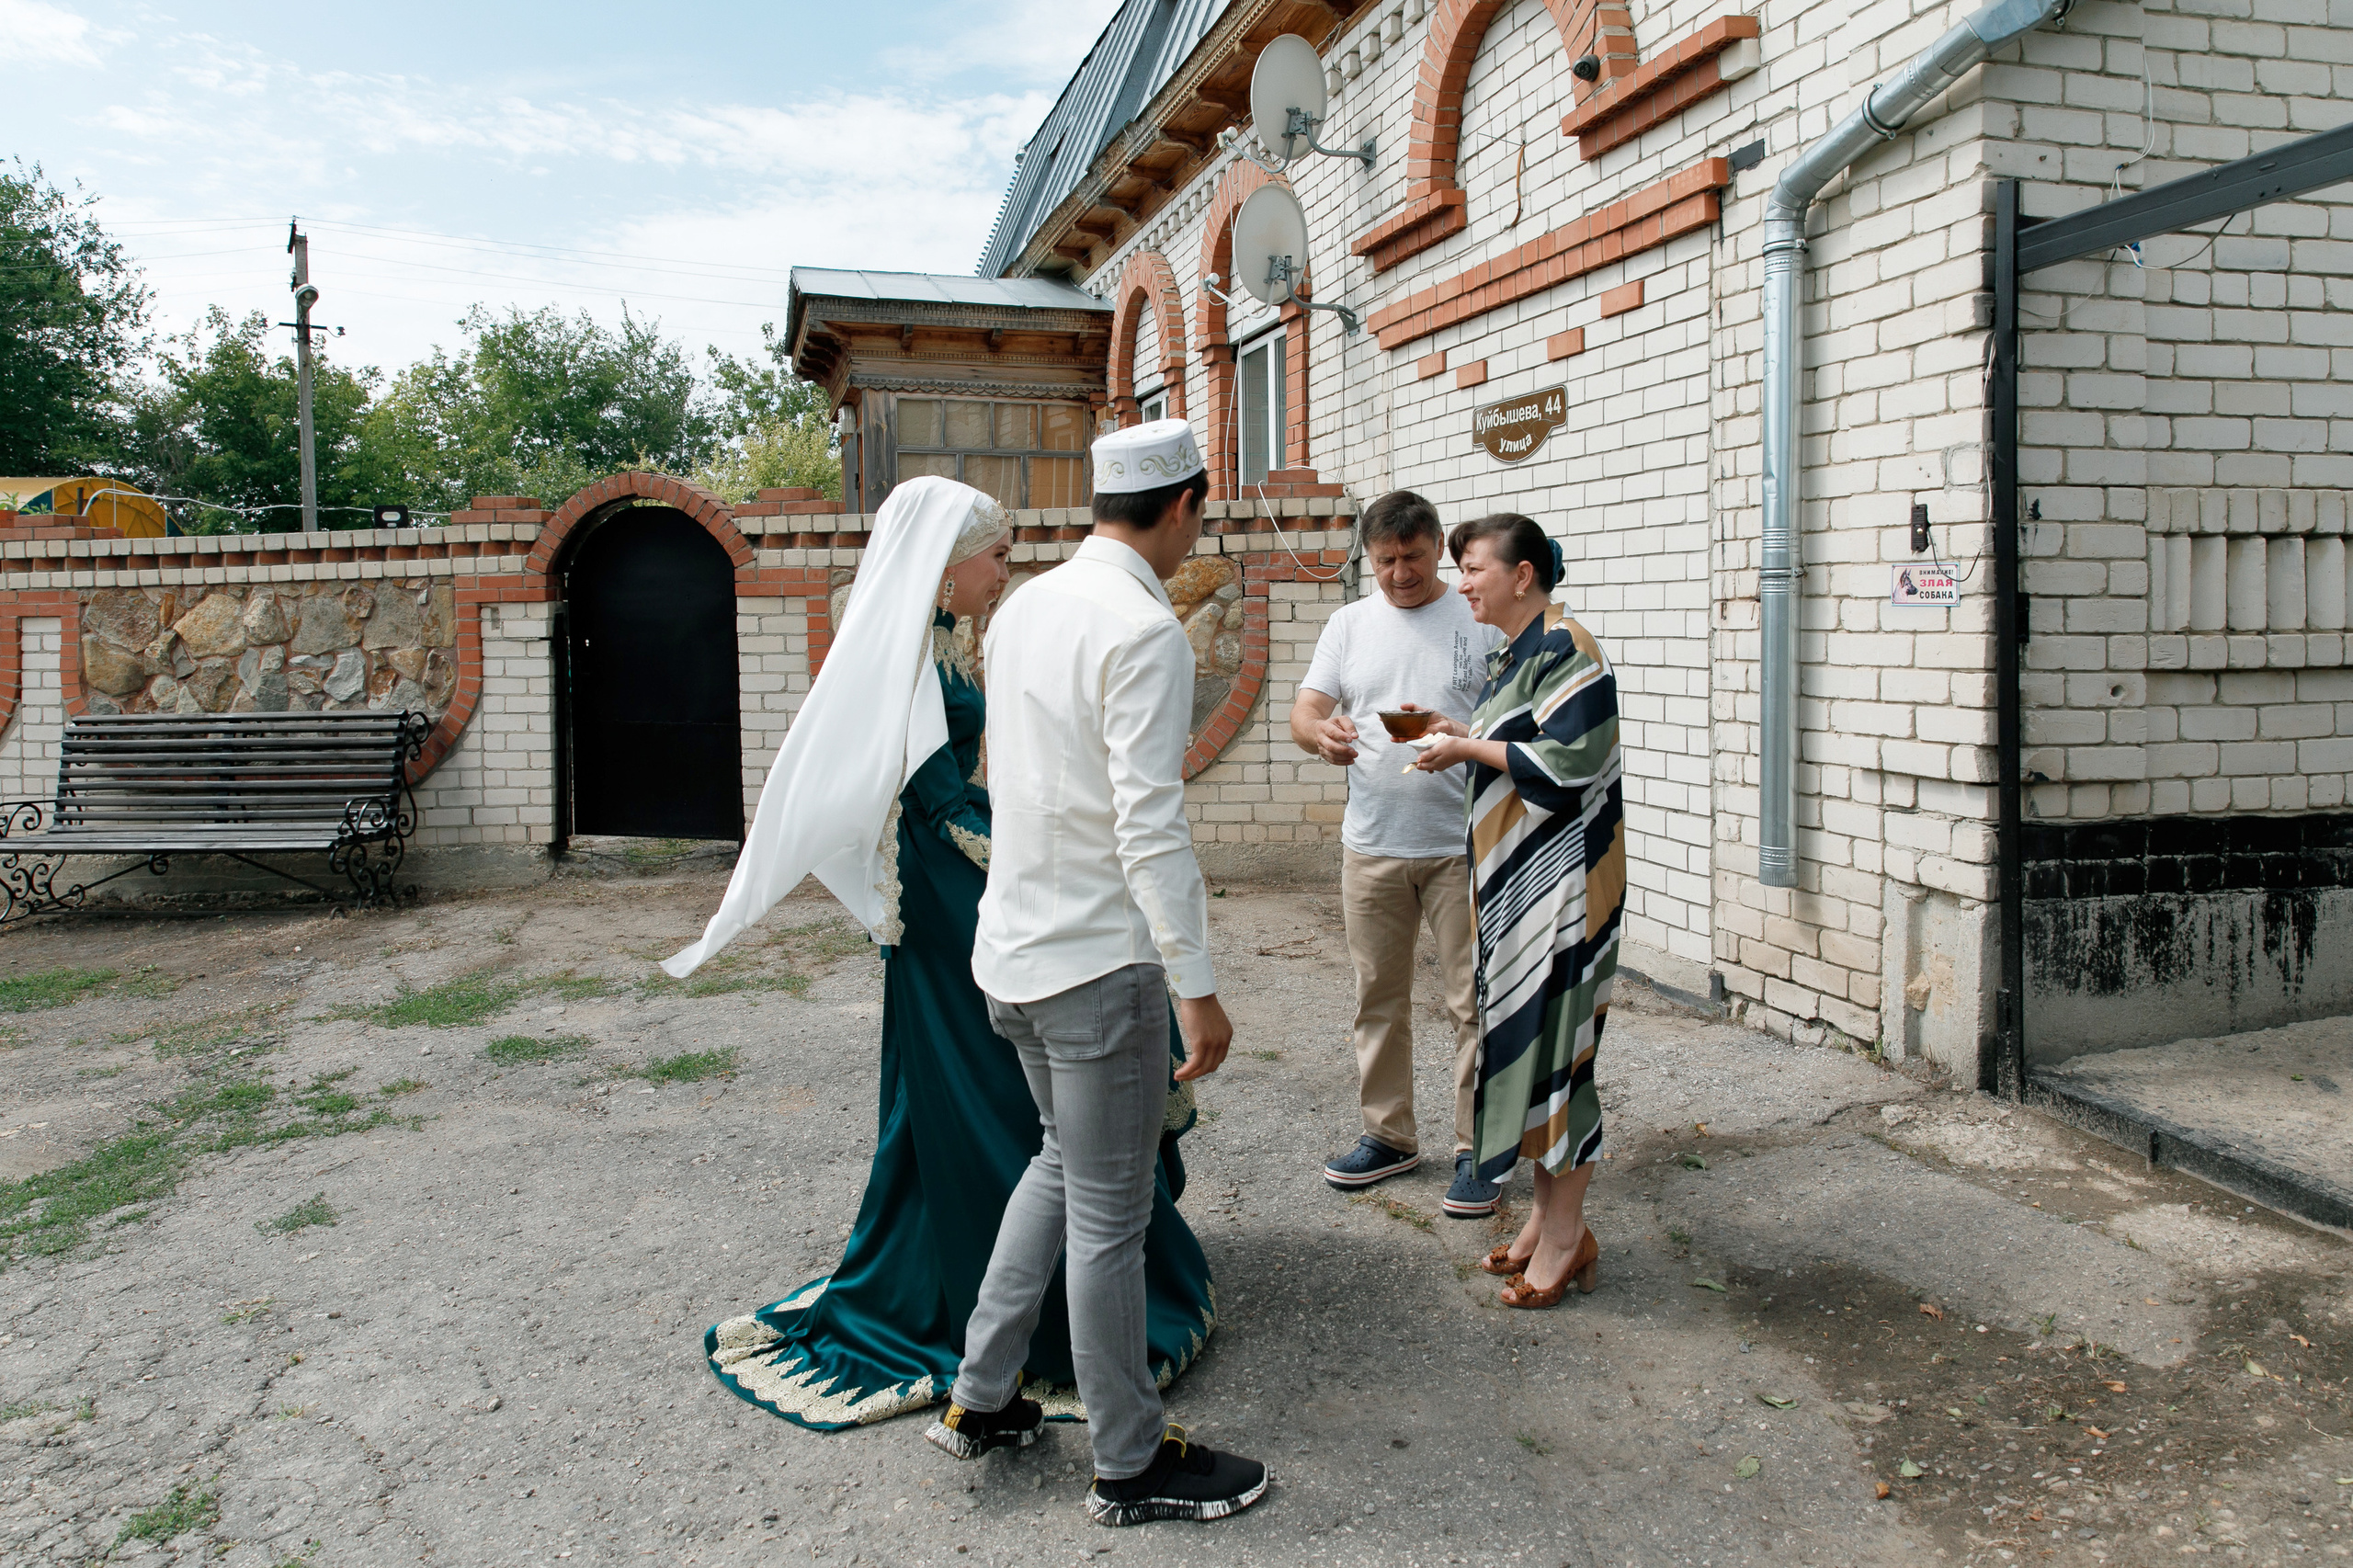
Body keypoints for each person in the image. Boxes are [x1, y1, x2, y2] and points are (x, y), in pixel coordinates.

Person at [672, 474, 1217, 1432]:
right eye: (994, 552)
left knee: (1042, 1130)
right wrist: (1053, 868)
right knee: (1008, 1107)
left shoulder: (956, 644)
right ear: (939, 568)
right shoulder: (914, 667)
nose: (1005, 567)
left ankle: (996, 1361)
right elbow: (940, 806)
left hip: (983, 884)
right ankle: (1067, 1367)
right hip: (955, 895)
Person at [934, 418, 1268, 1528]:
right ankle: (1127, 1459)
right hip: (1096, 963)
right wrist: (1197, 980)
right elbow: (1149, 823)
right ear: (1182, 507)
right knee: (1112, 1216)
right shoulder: (1142, 626)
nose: (1197, 537)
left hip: (1013, 951)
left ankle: (981, 1395)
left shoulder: (1025, 602)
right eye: (1200, 518)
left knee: (1062, 1165)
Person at [1411, 513, 1623, 1311]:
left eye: (1473, 568)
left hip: (1563, 896)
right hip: (1518, 897)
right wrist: (1466, 734)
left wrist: (1467, 750)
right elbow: (1523, 744)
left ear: (1522, 574)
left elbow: (1569, 765)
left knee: (1559, 1062)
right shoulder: (1519, 652)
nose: (1461, 582)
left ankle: (1569, 1239)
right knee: (1531, 1056)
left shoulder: (1569, 646)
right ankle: (1546, 1221)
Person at [1289, 491, 1505, 1216]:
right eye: (1385, 561)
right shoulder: (1349, 622)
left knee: (1472, 1000)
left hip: (1462, 846)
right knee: (1376, 999)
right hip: (1372, 846)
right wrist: (1320, 734)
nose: (1400, 573)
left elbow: (1516, 725)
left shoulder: (1477, 619)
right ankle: (1389, 1137)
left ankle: (1481, 1149)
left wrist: (1463, 730)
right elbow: (1306, 709)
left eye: (1413, 557)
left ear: (1438, 547)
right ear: (1369, 558)